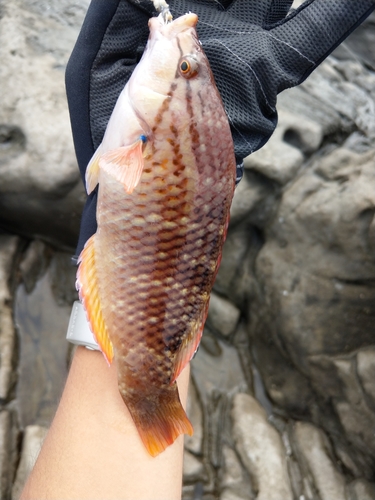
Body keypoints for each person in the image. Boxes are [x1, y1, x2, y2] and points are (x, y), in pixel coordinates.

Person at [20, 1, 375, 499]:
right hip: (149, 239)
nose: (186, 47)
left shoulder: (154, 105)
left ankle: (149, 400)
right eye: (189, 66)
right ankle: (152, 402)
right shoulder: (166, 107)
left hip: (135, 231)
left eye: (187, 68)